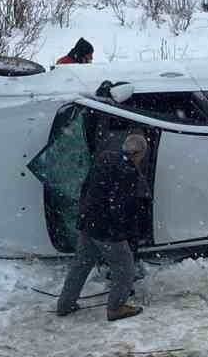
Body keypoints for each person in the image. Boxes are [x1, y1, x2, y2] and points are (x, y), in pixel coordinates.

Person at [54, 131, 148, 321]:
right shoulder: (127, 172)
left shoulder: (105, 158)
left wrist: (85, 214)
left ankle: (65, 304)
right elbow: (119, 207)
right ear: (138, 154)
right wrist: (125, 233)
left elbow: (87, 187)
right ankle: (116, 308)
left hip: (88, 222)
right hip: (106, 229)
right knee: (125, 269)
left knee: (80, 265)